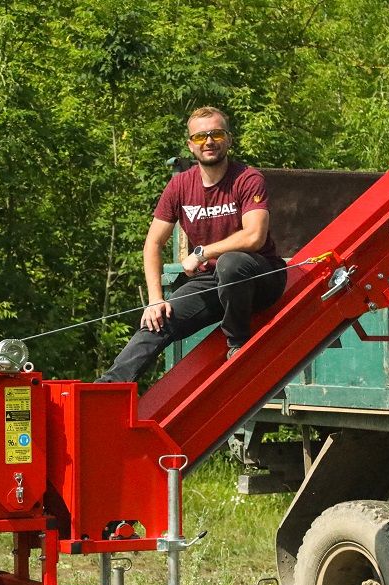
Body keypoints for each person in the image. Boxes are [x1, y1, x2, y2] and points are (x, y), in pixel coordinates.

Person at [98, 106, 286, 383]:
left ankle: (238, 345)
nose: (208, 141)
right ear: (190, 145)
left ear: (229, 139)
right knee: (158, 321)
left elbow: (254, 237)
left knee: (231, 263)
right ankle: (106, 389)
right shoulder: (180, 186)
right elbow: (153, 242)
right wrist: (155, 299)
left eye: (216, 134)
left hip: (260, 277)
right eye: (200, 137)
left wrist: (202, 253)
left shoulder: (247, 178)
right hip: (214, 280)